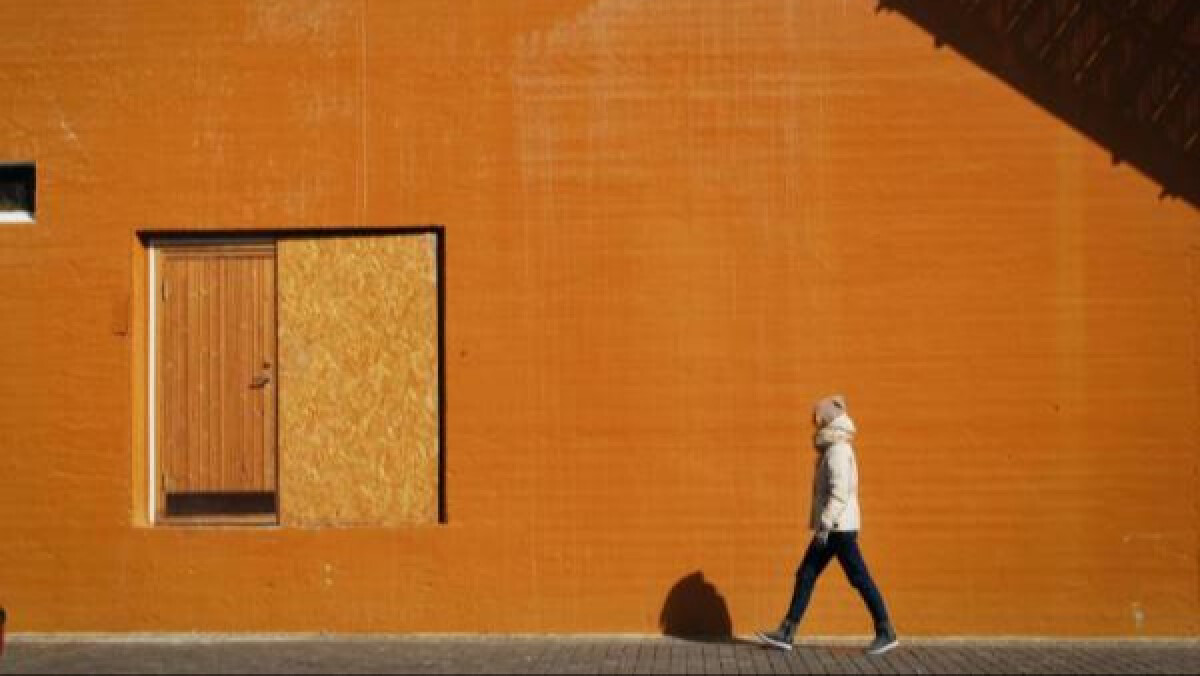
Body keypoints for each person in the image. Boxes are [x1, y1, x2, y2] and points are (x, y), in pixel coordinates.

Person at [755, 395, 899, 656]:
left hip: (837, 529)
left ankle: (886, 631)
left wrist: (825, 522)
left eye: (818, 420)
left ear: (828, 421)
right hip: (836, 527)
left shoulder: (838, 450)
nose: (815, 425)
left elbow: (840, 492)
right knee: (808, 574)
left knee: (855, 578)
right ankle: (787, 631)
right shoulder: (835, 448)